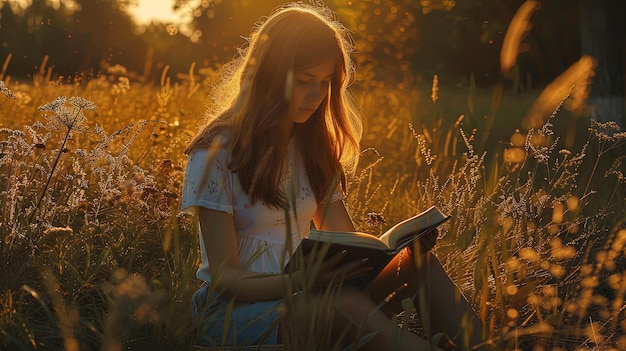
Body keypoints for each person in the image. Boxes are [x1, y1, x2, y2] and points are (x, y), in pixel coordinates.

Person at [181, 3, 483, 350]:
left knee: (420, 264)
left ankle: (485, 346)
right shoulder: (216, 152)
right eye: (305, 81)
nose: (316, 96)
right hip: (238, 312)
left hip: (313, 292)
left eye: (325, 83)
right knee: (348, 307)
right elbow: (224, 278)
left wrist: (399, 251)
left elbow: (345, 242)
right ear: (270, 74)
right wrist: (298, 281)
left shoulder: (313, 148)